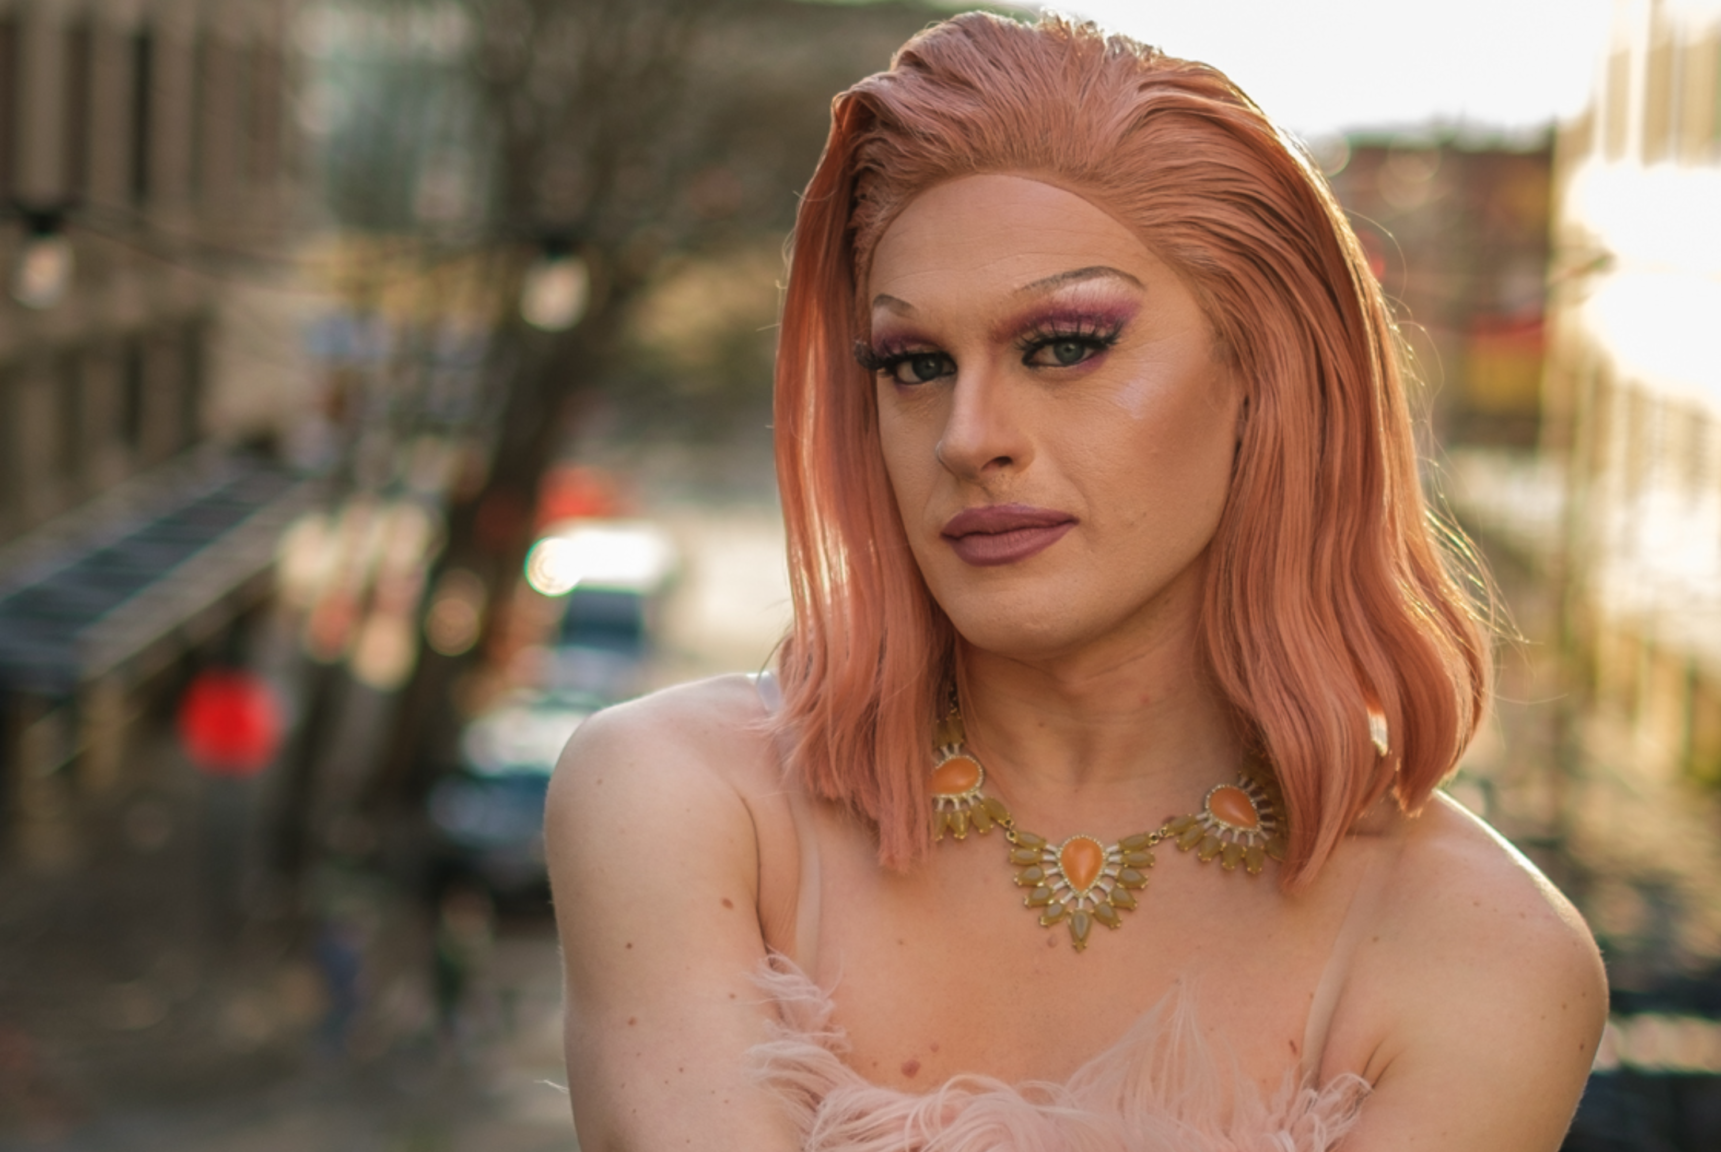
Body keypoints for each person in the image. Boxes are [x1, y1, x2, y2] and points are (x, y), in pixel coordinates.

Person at [546, 12, 1605, 1150]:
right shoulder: (684, 804)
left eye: (1062, 346)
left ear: (1264, 374)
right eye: (913, 364)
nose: (969, 436)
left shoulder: (1480, 948)